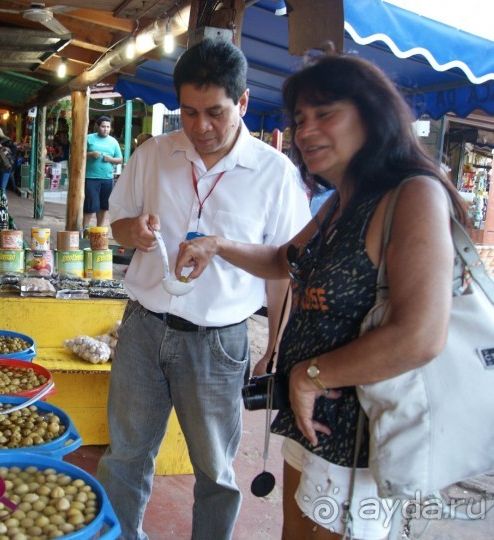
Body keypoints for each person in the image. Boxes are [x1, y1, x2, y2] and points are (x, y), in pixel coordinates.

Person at [175, 52, 466, 539]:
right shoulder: (344, 200)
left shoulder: (413, 195)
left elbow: (420, 334)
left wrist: (310, 378)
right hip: (312, 422)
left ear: (371, 113)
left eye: (325, 114)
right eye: (301, 119)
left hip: (360, 436)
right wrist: (218, 245)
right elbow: (284, 261)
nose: (306, 131)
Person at [97, 39, 311, 540]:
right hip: (143, 330)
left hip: (219, 342)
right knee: (125, 455)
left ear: (242, 102)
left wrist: (276, 349)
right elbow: (117, 224)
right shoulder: (154, 153)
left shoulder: (274, 174)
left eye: (215, 112)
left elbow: (285, 270)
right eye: (188, 113)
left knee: (215, 471)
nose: (200, 127)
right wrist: (136, 233)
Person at [84, 116, 123, 228]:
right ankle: (84, 231)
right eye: (103, 126)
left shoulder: (113, 141)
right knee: (90, 207)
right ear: (97, 127)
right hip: (90, 178)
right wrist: (90, 154)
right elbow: (77, 155)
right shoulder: (89, 138)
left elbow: (120, 160)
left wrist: (110, 159)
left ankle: (99, 231)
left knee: (104, 207)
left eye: (108, 127)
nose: (105, 129)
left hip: (107, 179)